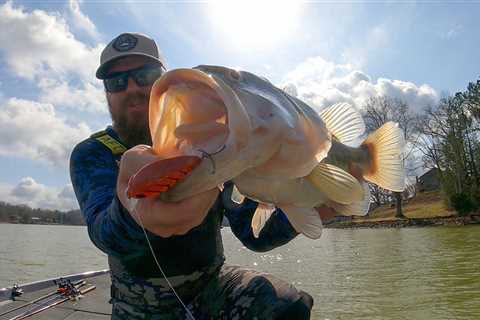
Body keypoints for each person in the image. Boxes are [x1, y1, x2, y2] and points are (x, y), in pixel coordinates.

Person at [70, 32, 321, 319]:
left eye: (145, 75)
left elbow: (256, 235)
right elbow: (104, 233)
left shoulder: (215, 143)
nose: (131, 88)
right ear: (107, 94)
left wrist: (319, 205)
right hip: (137, 304)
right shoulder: (91, 153)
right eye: (116, 82)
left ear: (165, 82)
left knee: (289, 305)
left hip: (212, 286)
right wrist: (133, 208)